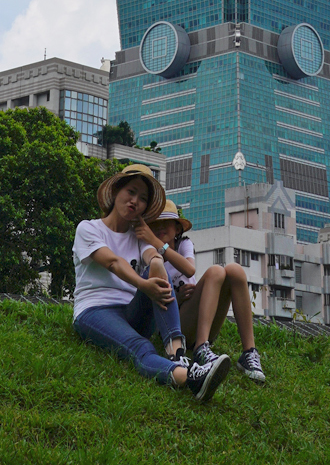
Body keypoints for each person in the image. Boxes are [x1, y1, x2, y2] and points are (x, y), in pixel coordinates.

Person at [72, 163, 230, 403]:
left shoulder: (139, 237)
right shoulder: (89, 228)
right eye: (131, 192)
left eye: (143, 198)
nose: (135, 201)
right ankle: (189, 378)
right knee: (140, 347)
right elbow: (114, 262)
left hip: (133, 310)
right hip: (96, 310)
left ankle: (177, 353)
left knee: (156, 270)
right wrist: (143, 284)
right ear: (116, 192)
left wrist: (155, 263)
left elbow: (153, 257)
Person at [145, 199, 266, 384]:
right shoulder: (149, 254)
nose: (161, 227)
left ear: (177, 228)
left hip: (200, 319)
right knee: (216, 271)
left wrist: (164, 247)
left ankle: (249, 352)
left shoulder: (184, 244)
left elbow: (189, 269)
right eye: (156, 224)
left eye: (166, 222)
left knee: (234, 270)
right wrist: (176, 298)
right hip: (175, 326)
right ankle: (201, 348)